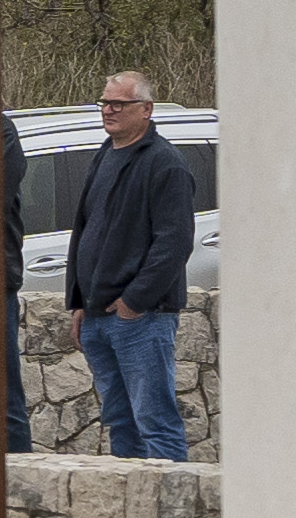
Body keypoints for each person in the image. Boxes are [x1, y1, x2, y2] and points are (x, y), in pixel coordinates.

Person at [69, 73, 201, 463]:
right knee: (120, 421)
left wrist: (134, 302)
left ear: (146, 110)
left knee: (155, 422)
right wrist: (80, 301)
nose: (109, 110)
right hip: (97, 316)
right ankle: (131, 512)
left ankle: (170, 517)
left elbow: (174, 243)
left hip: (140, 319)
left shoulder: (165, 164)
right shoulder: (105, 154)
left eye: (119, 104)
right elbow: (87, 230)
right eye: (105, 103)